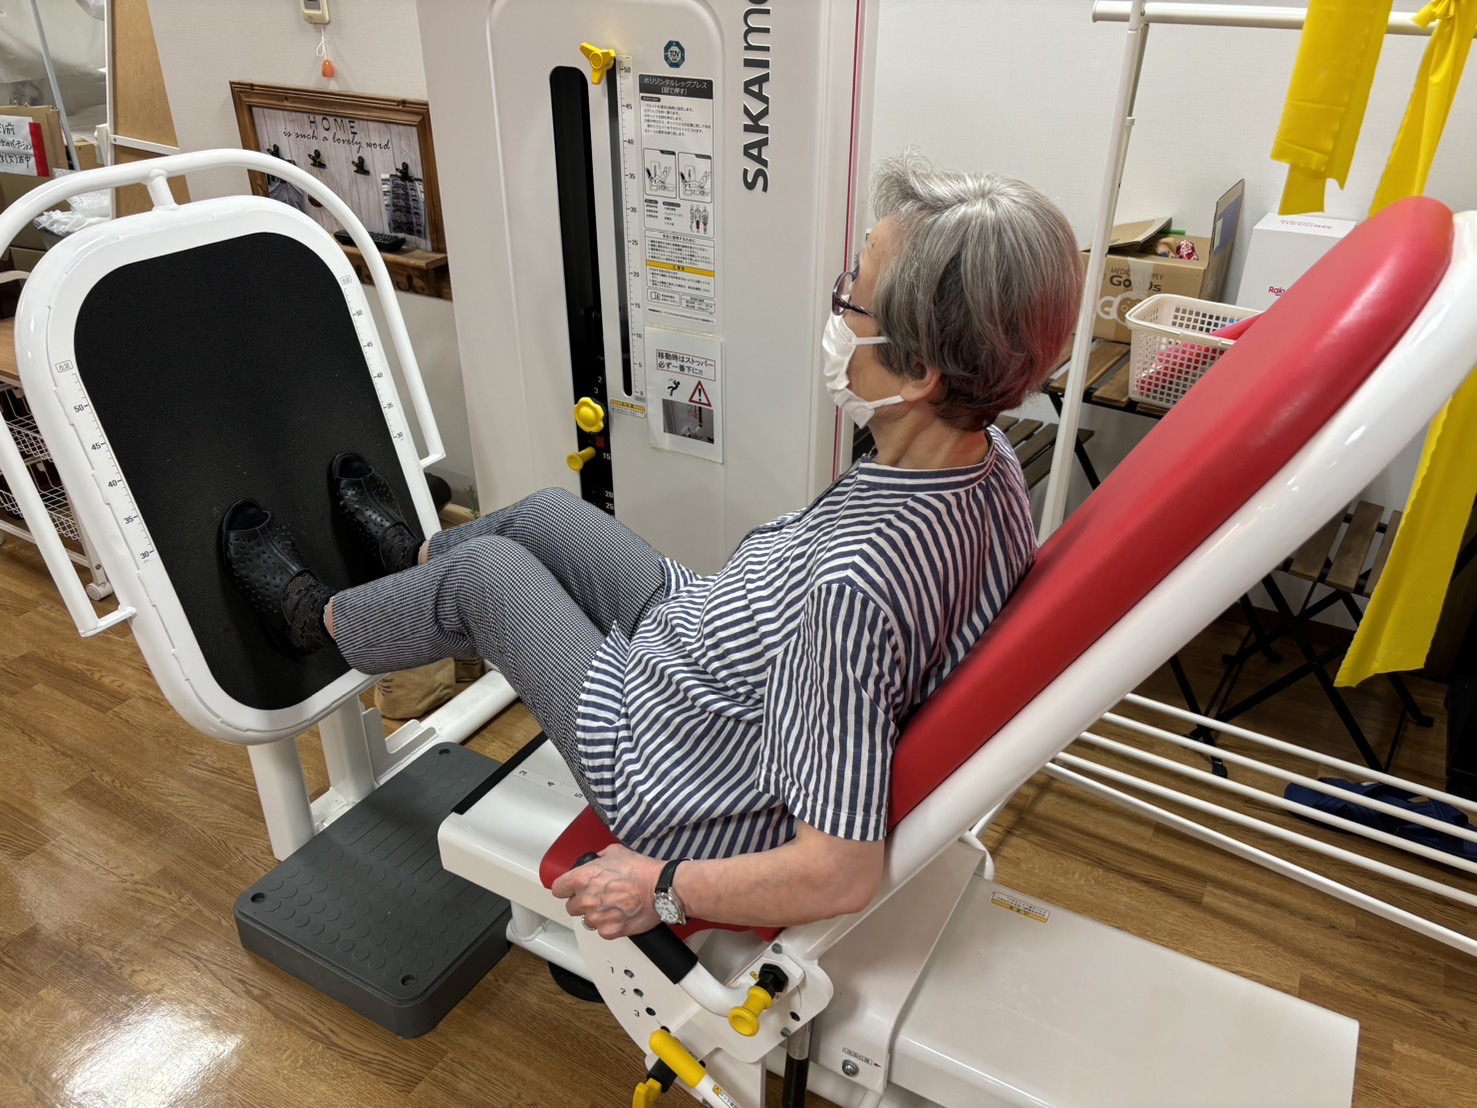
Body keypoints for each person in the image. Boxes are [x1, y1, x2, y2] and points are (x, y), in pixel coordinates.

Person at [219, 153, 1082, 939]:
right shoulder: (986, 461)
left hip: (669, 761)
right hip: (711, 646)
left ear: (921, 371)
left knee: (487, 573)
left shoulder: (858, 586)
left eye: (850, 297)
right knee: (545, 516)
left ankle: (316, 622)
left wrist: (661, 888)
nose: (835, 313)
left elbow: (836, 871)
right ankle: (410, 567)